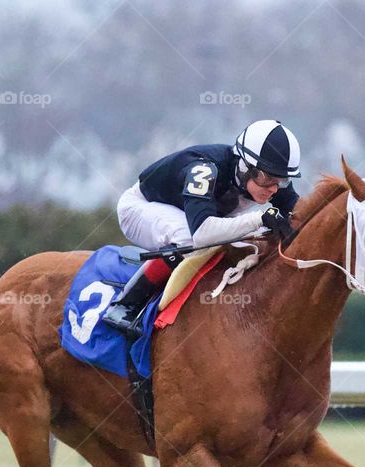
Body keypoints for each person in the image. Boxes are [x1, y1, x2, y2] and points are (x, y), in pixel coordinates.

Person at [102, 119, 303, 337]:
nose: (274, 189)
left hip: (189, 215)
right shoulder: (205, 170)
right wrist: (259, 219)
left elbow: (302, 212)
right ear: (245, 166)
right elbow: (202, 234)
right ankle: (126, 304)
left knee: (247, 244)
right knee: (189, 239)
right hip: (140, 208)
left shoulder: (269, 180)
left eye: (282, 180)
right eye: (267, 178)